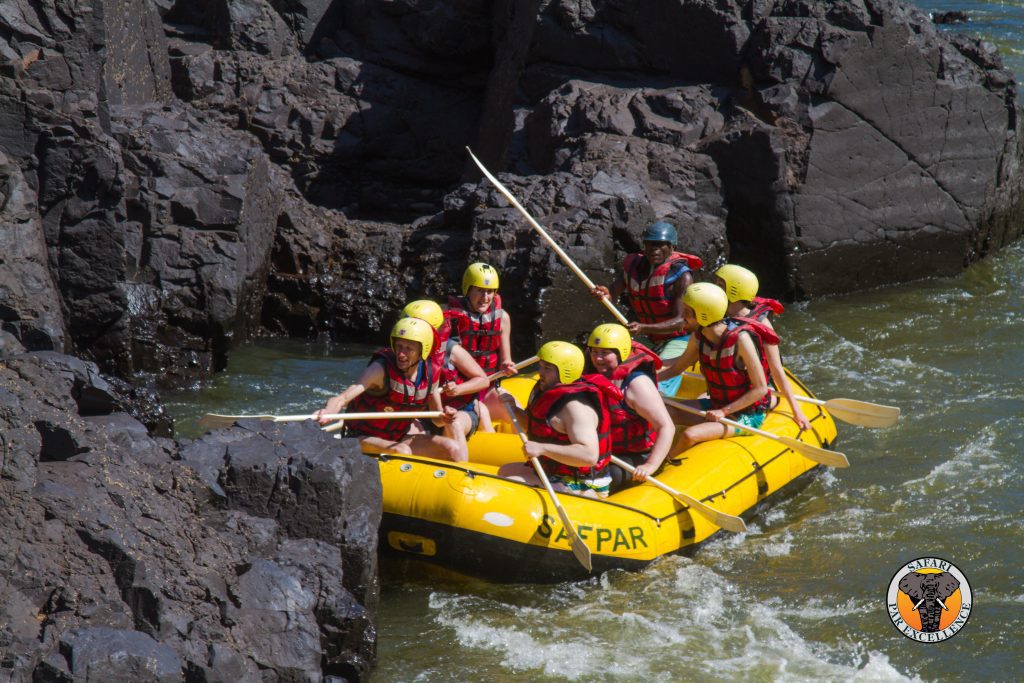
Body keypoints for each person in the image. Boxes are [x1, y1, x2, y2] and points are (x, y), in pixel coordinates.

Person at [315, 317, 467, 462]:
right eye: (399, 346)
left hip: (398, 438)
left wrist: (446, 417)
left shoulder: (431, 373)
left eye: (408, 348)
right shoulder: (380, 369)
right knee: (401, 451)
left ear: (423, 350)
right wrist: (328, 411)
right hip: (361, 437)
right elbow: (342, 398)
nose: (401, 354)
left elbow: (437, 420)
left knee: (453, 448)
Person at [656, 283, 776, 452]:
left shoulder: (741, 340)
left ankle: (665, 464)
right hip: (716, 403)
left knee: (690, 435)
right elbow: (677, 368)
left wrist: (724, 411)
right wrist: (650, 380)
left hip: (746, 414)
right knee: (665, 414)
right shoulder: (699, 337)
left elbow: (761, 388)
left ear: (701, 315)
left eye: (686, 313)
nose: (682, 317)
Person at [589, 221, 703, 397]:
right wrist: (604, 294)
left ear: (672, 247)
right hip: (649, 337)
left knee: (656, 386)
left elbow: (680, 322)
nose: (653, 249)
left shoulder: (682, 276)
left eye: (659, 245)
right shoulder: (633, 266)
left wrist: (643, 328)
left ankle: (660, 400)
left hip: (677, 339)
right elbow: (612, 293)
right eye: (650, 244)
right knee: (619, 369)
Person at [497, 341, 622, 498]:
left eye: (547, 368)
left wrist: (542, 449)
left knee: (511, 482)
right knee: (506, 470)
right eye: (541, 366)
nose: (540, 372)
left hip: (584, 484)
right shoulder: (551, 393)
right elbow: (537, 428)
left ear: (566, 371)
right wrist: (514, 409)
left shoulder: (576, 407)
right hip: (558, 474)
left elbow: (589, 455)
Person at [714, 264, 812, 431]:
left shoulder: (761, 323)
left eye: (720, 285)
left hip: (759, 389)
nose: (715, 289)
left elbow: (776, 369)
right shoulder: (717, 314)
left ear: (735, 291)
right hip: (733, 384)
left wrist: (797, 411)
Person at [585, 323, 676, 490]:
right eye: (594, 351)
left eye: (605, 353)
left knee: (596, 479)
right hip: (603, 452)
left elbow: (666, 426)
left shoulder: (637, 385)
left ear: (621, 353)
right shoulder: (590, 375)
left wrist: (650, 465)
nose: (597, 358)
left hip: (636, 456)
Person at [403, 299, 492, 437]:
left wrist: (457, 389)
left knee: (453, 424)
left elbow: (483, 380)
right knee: (404, 431)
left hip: (460, 410)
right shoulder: (401, 354)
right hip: (425, 414)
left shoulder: (452, 350)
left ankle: (456, 453)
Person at [445, 262, 516, 428]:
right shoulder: (449, 316)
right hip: (461, 389)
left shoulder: (502, 318)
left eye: (490, 291)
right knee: (482, 414)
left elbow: (506, 360)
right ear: (468, 289)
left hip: (489, 386)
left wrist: (507, 365)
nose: (485, 297)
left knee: (515, 410)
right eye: (480, 290)